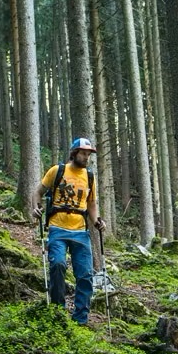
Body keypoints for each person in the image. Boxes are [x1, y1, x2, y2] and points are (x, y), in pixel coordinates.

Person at [31, 137, 106, 325]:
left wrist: (97, 221)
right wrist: (35, 207)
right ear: (74, 153)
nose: (86, 157)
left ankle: (80, 319)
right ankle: (58, 311)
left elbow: (91, 203)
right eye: (83, 153)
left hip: (81, 231)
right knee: (57, 265)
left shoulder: (89, 177)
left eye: (88, 154)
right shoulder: (57, 171)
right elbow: (37, 192)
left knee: (86, 275)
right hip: (57, 228)